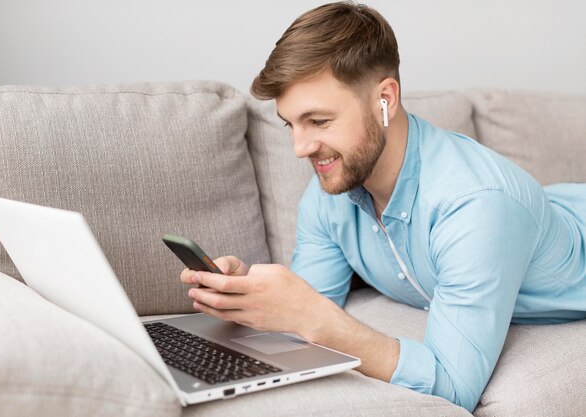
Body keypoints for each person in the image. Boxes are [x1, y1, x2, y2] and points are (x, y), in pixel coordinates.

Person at [181, 1, 586, 412]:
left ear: (385, 100)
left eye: (318, 121)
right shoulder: (329, 194)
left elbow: (453, 385)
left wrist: (321, 322)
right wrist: (248, 296)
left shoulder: (477, 208)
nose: (300, 148)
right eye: (291, 124)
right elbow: (307, 300)